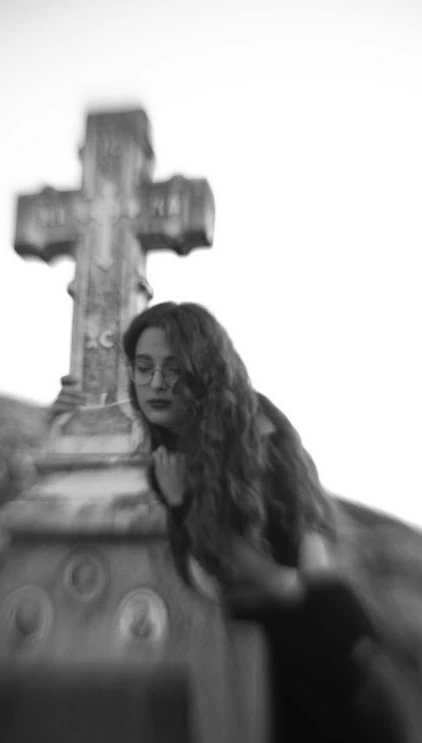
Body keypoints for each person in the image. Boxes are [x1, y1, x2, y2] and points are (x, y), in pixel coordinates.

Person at [54, 301, 412, 743]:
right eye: (143, 368)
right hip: (234, 649)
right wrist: (75, 419)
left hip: (311, 653)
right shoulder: (165, 449)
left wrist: (185, 503)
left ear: (204, 372)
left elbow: (288, 584)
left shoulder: (261, 435)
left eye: (176, 369)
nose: (157, 383)